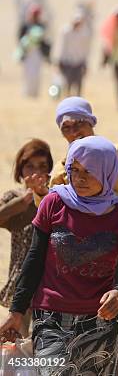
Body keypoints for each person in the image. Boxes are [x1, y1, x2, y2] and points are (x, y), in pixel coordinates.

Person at [0, 136, 118, 375]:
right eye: (74, 170)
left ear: (107, 172)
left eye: (89, 171)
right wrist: (16, 312)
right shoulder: (53, 203)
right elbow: (34, 259)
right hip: (52, 320)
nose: (80, 178)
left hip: (102, 324)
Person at [46, 97, 118, 232]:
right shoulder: (62, 169)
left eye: (79, 123)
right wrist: (39, 193)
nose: (74, 132)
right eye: (66, 127)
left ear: (91, 123)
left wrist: (109, 201)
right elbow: (49, 210)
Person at [0, 140, 53, 338]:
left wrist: (42, 196)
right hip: (21, 277)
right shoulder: (14, 197)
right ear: (20, 169)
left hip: (49, 276)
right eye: (29, 166)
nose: (35, 172)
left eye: (42, 166)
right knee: (19, 336)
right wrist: (22, 202)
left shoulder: (54, 198)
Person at [16, 3, 51, 98]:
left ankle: (35, 93)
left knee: (36, 73)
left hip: (38, 53)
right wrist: (27, 42)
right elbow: (19, 39)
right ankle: (27, 93)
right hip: (28, 53)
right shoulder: (25, 25)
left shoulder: (42, 26)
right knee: (27, 73)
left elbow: (45, 40)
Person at [57, 11, 92, 96]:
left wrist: (85, 63)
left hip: (79, 62)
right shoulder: (66, 32)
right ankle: (68, 99)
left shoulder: (85, 33)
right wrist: (59, 60)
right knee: (68, 83)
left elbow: (86, 50)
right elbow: (62, 47)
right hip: (67, 61)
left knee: (79, 84)